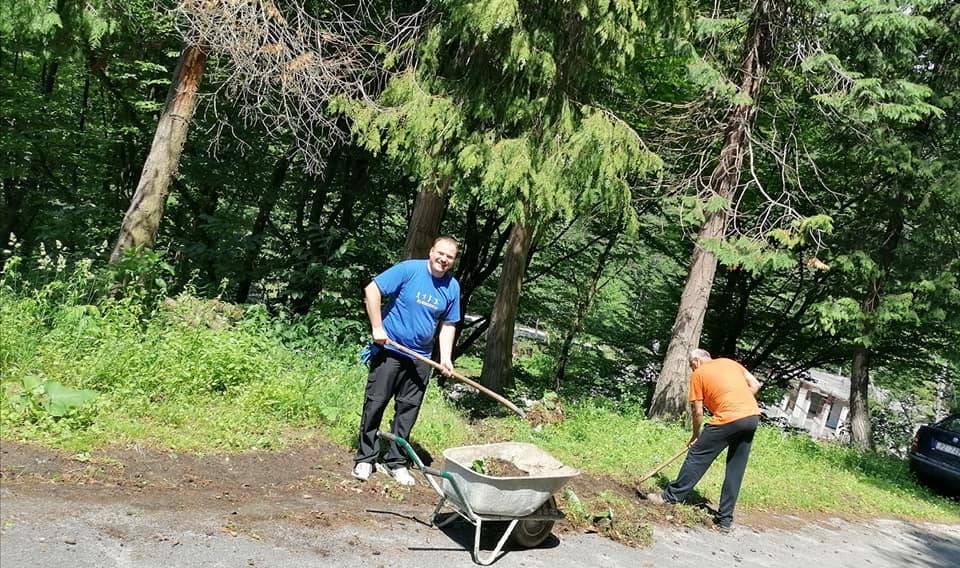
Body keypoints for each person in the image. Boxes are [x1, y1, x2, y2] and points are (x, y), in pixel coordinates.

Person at [352, 237, 461, 486]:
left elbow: (448, 324)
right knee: (375, 403)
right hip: (390, 350)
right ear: (431, 252)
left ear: (453, 261)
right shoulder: (409, 270)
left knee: (408, 410)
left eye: (450, 257)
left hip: (421, 358)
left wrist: (445, 358)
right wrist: (377, 327)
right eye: (440, 253)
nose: (443, 259)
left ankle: (396, 462)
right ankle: (366, 458)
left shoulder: (452, 287)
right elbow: (372, 289)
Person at [645, 349, 762, 532]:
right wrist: (740, 402)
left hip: (727, 418)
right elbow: (755, 384)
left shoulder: (699, 373)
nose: (692, 369)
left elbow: (698, 411)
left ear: (696, 361)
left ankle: (669, 497)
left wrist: (695, 435)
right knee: (735, 470)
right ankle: (724, 521)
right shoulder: (729, 363)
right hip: (752, 417)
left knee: (697, 456)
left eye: (691, 366)